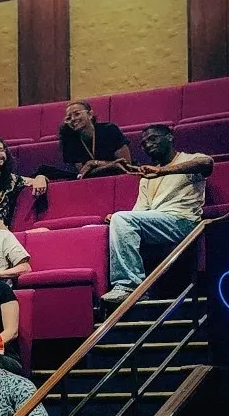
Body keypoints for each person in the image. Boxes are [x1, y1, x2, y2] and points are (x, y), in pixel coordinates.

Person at [100, 125, 213, 302]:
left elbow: (207, 163)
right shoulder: (147, 176)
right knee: (117, 220)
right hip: (159, 224)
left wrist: (162, 171)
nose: (148, 145)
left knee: (122, 218)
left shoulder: (189, 160)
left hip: (184, 222)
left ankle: (130, 285)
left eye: (153, 139)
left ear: (169, 137)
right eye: (144, 143)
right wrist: (115, 220)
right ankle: (136, 288)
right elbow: (140, 211)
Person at [55, 99, 131, 179]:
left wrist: (93, 163)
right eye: (68, 118)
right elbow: (83, 174)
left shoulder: (110, 130)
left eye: (77, 114)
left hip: (122, 177)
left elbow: (126, 165)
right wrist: (108, 165)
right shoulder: (70, 141)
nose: (73, 119)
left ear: (90, 114)